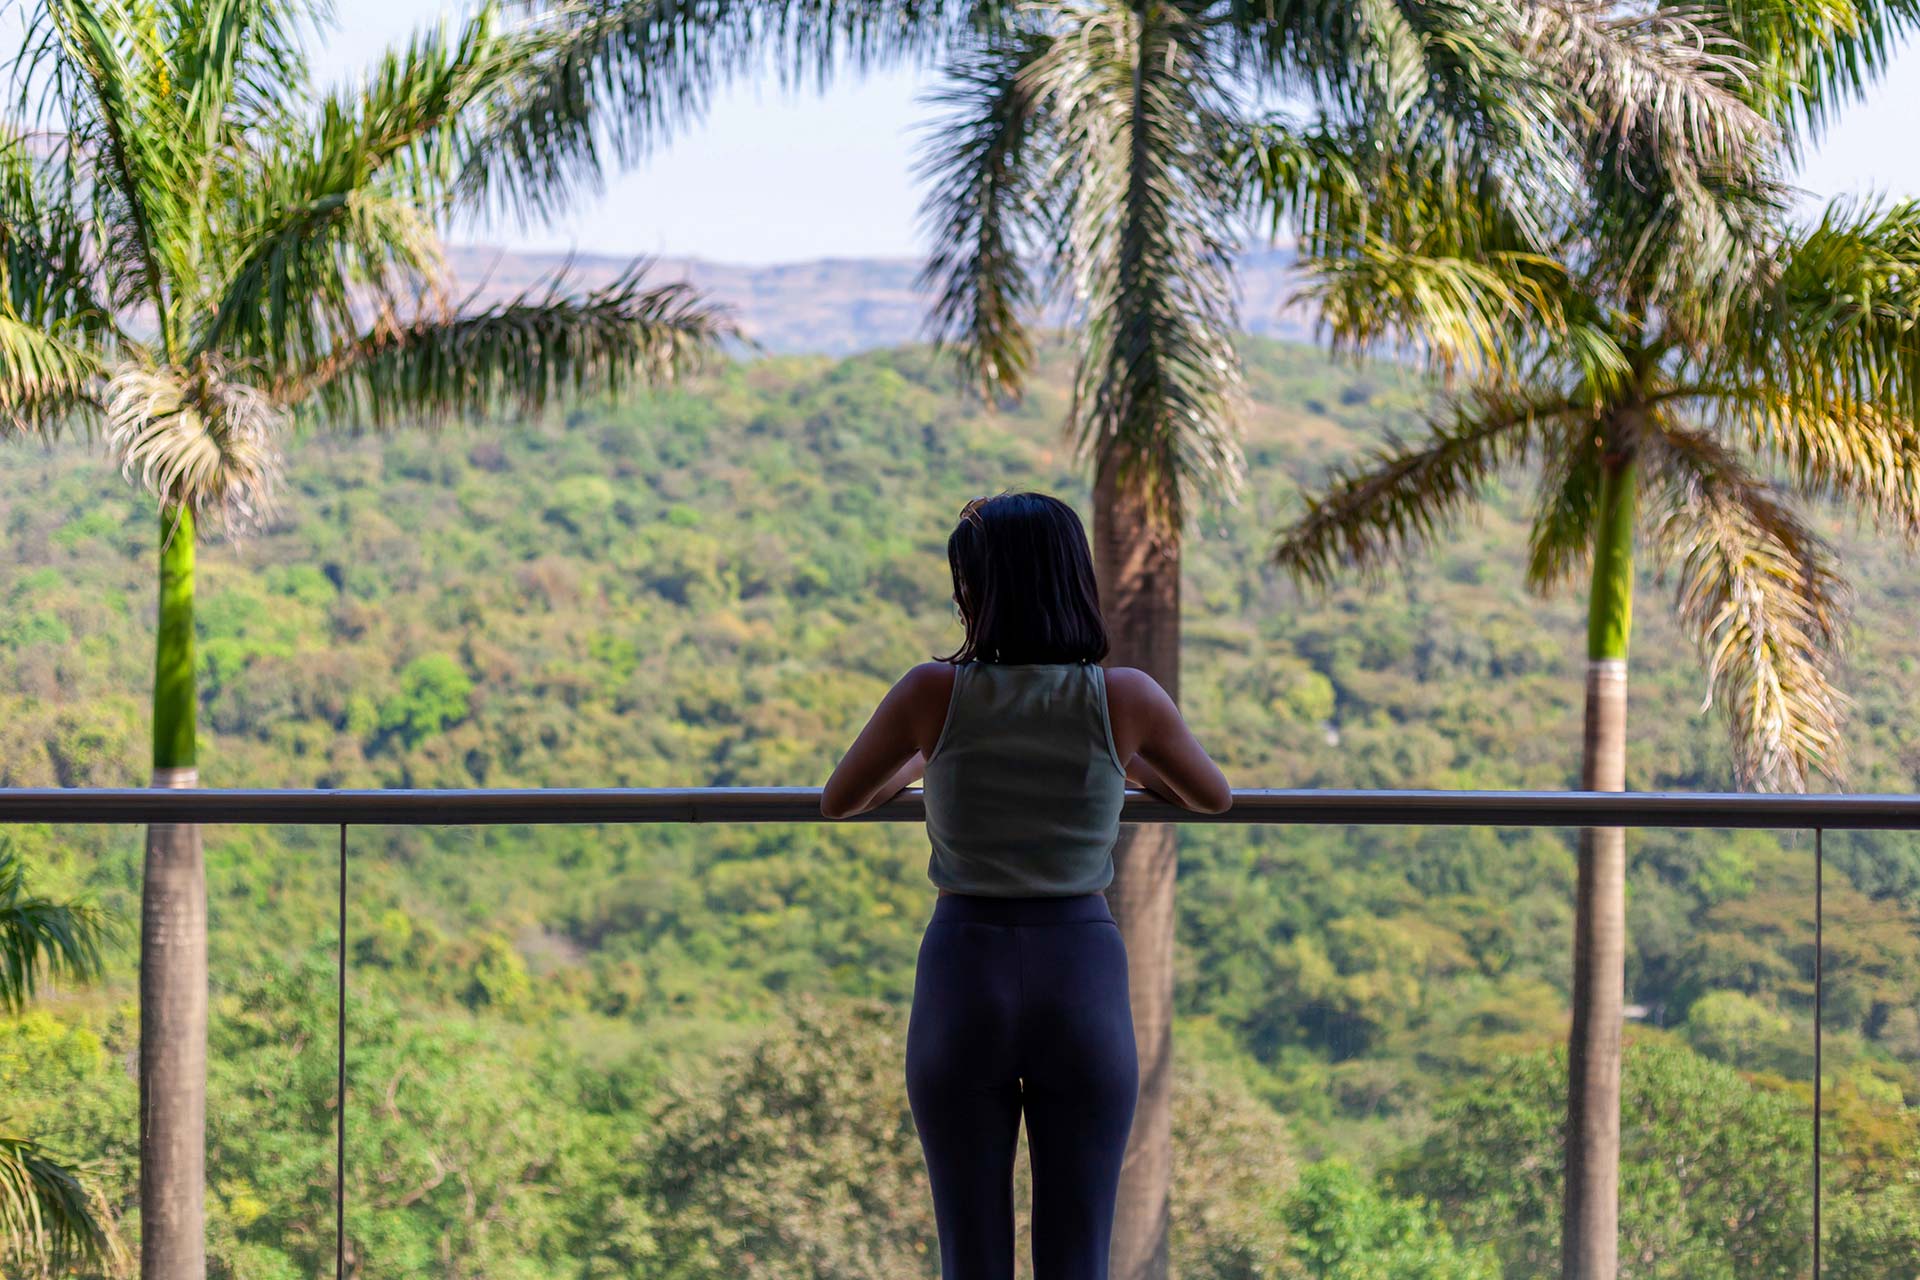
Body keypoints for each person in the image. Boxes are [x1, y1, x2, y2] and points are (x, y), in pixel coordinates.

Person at [822, 491, 1231, 1279]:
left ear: (977, 590)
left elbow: (841, 799)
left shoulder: (932, 694)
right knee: (1078, 1255)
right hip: (1080, 966)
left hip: (962, 965)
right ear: (1073, 580)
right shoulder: (1125, 698)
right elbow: (1211, 796)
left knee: (970, 1254)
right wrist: (1117, 765)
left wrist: (930, 757)